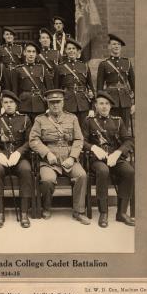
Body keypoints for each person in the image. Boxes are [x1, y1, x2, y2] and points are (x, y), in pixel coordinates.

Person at [29, 89, 90, 225]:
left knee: (81, 175)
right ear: (48, 104)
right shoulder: (40, 119)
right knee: (47, 180)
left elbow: (79, 139)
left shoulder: (72, 118)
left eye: (58, 102)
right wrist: (47, 153)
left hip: (69, 156)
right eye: (52, 103)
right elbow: (33, 140)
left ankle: (78, 211)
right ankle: (47, 207)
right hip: (49, 159)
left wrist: (73, 157)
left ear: (63, 103)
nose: (55, 105)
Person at [81, 91, 135, 228]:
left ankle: (121, 213)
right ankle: (103, 212)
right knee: (103, 171)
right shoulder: (89, 121)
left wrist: (117, 153)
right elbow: (82, 141)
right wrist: (94, 148)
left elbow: (128, 140)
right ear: (96, 106)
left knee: (129, 171)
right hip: (96, 160)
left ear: (110, 106)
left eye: (107, 104)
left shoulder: (118, 121)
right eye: (101, 103)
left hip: (114, 158)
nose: (104, 106)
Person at [0, 90, 33, 228]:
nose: (8, 105)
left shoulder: (25, 119)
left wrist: (19, 153)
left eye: (11, 102)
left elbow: (29, 141)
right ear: (2, 104)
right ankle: (0, 213)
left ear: (17, 105)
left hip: (18, 158)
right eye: (6, 102)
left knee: (26, 169)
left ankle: (24, 212)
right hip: (2, 156)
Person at [54, 36, 95, 126]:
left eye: (73, 49)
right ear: (65, 51)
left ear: (77, 51)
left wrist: (92, 108)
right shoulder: (60, 67)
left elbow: (91, 88)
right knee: (68, 129)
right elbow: (56, 89)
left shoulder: (84, 66)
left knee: (83, 129)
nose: (71, 51)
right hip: (67, 103)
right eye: (69, 49)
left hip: (83, 103)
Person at [97, 33, 135, 129]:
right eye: (114, 44)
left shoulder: (127, 62)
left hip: (125, 100)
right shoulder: (103, 64)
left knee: (125, 128)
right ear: (109, 46)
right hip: (111, 100)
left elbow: (134, 84)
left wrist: (134, 104)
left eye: (118, 44)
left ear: (121, 47)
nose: (116, 46)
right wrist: (100, 103)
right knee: (111, 127)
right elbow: (99, 87)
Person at [12, 40, 53, 121]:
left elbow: (49, 87)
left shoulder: (42, 68)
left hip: (39, 104)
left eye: (33, 52)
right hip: (24, 103)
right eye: (29, 51)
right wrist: (15, 104)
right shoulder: (18, 69)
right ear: (24, 53)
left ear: (36, 54)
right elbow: (14, 89)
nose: (31, 54)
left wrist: (49, 103)